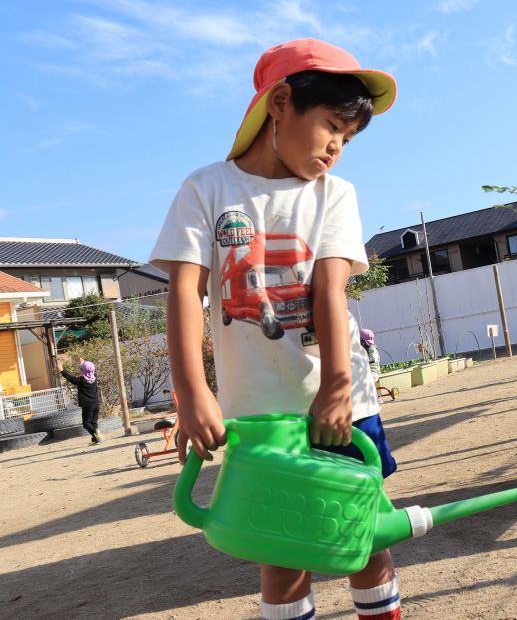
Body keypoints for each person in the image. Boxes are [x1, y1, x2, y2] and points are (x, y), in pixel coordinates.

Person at [150, 38, 401, 620]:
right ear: (281, 102)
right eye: (333, 126)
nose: (338, 147)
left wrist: (338, 384)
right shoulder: (207, 189)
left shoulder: (334, 195)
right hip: (258, 409)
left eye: (350, 138)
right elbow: (186, 290)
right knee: (281, 548)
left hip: (337, 399)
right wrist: (192, 394)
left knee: (365, 534)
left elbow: (329, 290)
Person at [58, 358, 102, 444]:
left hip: (87, 406)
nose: (80, 371)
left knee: (86, 423)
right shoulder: (94, 378)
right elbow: (88, 369)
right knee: (93, 422)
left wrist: (61, 370)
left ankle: (97, 434)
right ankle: (96, 439)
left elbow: (70, 377)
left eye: (81, 369)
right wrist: (83, 363)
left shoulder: (81, 381)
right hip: (96, 404)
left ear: (83, 370)